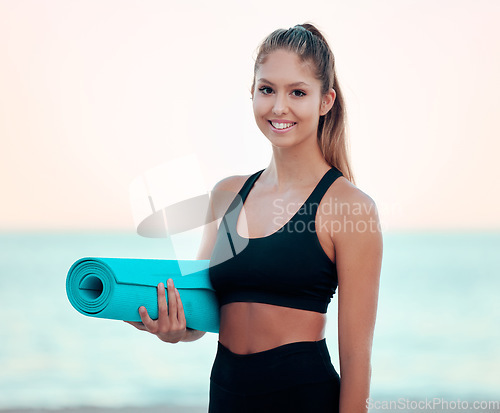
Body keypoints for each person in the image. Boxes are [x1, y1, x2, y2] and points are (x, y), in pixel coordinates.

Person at [126, 22, 383, 413]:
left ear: (325, 101)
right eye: (267, 90)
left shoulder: (349, 207)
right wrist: (172, 329)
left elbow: (357, 361)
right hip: (226, 397)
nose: (279, 107)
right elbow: (205, 311)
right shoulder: (227, 195)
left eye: (298, 92)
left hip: (304, 399)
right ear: (252, 94)